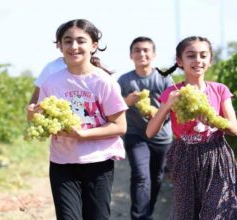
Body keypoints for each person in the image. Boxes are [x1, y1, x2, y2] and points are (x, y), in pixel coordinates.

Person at [28, 19, 128, 220]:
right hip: (62, 163)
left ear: (94, 46)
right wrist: (33, 115)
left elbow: (120, 126)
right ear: (60, 46)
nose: (74, 47)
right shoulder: (51, 82)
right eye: (68, 41)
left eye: (80, 41)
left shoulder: (104, 82)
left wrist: (83, 134)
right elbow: (41, 120)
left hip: (98, 162)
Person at [146, 36, 237, 219]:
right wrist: (167, 105)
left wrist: (215, 120)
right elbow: (150, 132)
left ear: (210, 60)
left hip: (216, 155)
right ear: (180, 61)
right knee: (185, 213)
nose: (198, 60)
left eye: (203, 55)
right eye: (191, 55)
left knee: (218, 212)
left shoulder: (220, 90)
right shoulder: (172, 93)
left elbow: (235, 128)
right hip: (183, 156)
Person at [117, 36, 173, 220]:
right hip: (136, 135)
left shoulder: (164, 78)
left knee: (156, 178)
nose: (142, 53)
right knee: (141, 175)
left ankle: (146, 213)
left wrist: (157, 115)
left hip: (161, 137)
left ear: (153, 55)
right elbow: (113, 107)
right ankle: (139, 217)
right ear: (131, 55)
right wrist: (127, 101)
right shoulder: (124, 80)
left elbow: (174, 107)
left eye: (146, 50)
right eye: (137, 50)